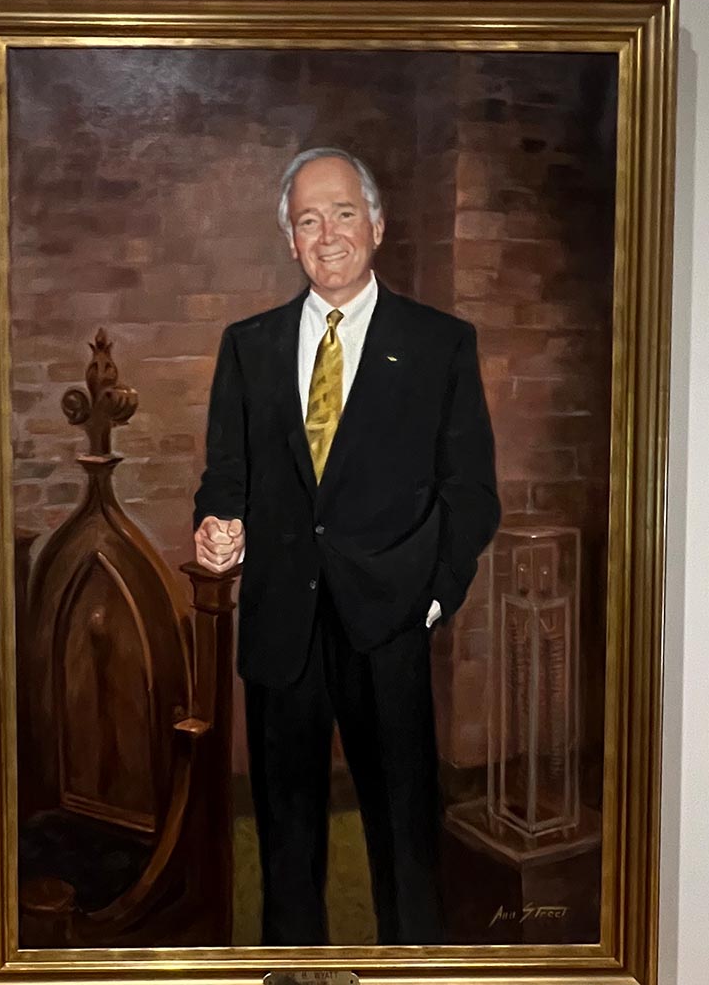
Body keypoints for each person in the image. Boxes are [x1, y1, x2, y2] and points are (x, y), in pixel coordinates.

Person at [193, 147, 500, 946]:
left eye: (342, 213)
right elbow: (226, 477)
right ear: (289, 240)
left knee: (405, 835)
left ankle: (416, 969)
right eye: (307, 220)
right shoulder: (248, 346)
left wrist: (433, 595)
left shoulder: (440, 344)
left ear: (378, 224)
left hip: (390, 623)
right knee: (285, 838)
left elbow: (471, 492)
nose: (327, 234)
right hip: (281, 626)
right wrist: (218, 525)